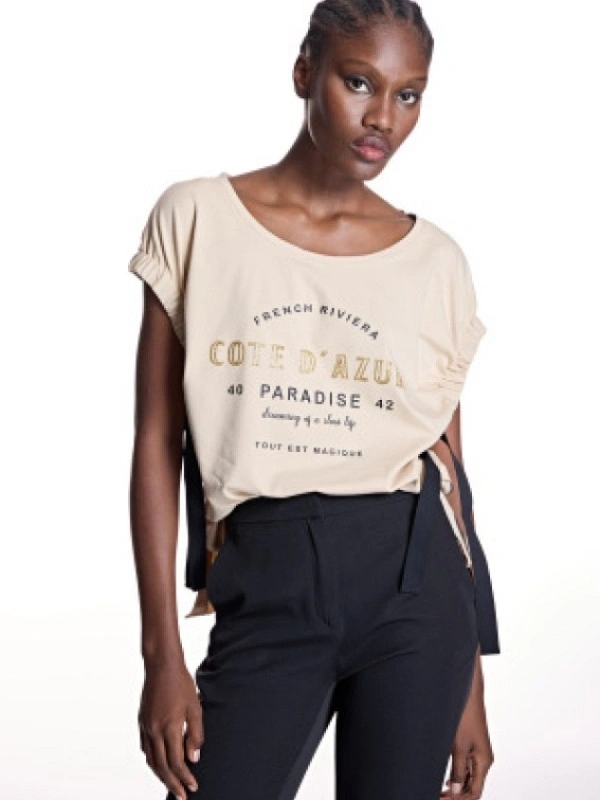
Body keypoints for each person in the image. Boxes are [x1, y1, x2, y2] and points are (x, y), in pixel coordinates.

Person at [127, 2, 501, 799]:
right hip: (267, 578)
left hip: (416, 589)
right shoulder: (197, 218)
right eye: (359, 82)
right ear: (305, 72)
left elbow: (449, 474)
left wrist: (470, 682)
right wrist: (162, 655)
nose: (383, 117)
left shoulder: (436, 263)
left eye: (409, 94)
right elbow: (157, 438)